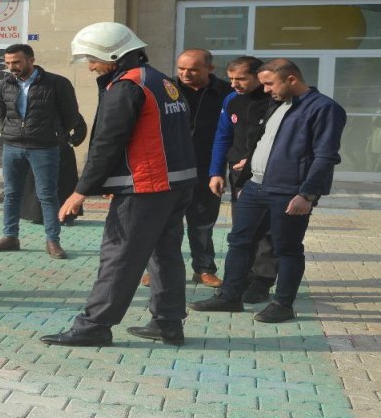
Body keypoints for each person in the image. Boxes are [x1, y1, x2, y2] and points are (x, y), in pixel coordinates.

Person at [40, 22, 196, 347]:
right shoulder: (160, 80)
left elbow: (107, 143)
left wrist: (80, 191)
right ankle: (168, 323)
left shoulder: (127, 86)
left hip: (146, 187)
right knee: (165, 255)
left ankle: (93, 326)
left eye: (93, 58)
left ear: (114, 55)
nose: (90, 65)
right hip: (177, 182)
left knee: (119, 256)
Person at [190, 58, 347, 323]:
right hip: (255, 185)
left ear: (291, 80)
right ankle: (230, 297)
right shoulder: (277, 104)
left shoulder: (324, 108)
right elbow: (263, 139)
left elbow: (325, 156)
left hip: (289, 191)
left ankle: (283, 304)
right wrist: (248, 165)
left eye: (269, 83)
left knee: (287, 248)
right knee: (239, 242)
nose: (265, 90)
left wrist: (307, 194)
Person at [141, 49, 234, 288]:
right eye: (181, 68)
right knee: (162, 223)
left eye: (193, 69)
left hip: (206, 168)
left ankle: (204, 269)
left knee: (202, 223)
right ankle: (157, 270)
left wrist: (222, 169)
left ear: (210, 69)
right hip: (168, 168)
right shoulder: (165, 89)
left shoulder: (226, 93)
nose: (185, 74)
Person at [0, 44, 83, 260]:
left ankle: (52, 241)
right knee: (11, 193)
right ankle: (10, 236)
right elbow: (1, 113)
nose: (12, 67)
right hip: (12, 146)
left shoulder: (57, 83)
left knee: (47, 195)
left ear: (31, 59)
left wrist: (55, 134)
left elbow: (71, 115)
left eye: (17, 62)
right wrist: (11, 132)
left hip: (44, 147)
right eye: (8, 63)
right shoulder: (4, 85)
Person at [208, 56, 278, 303]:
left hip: (269, 173)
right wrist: (216, 172)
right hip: (239, 174)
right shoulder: (231, 100)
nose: (234, 84)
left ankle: (262, 281)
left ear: (258, 76)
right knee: (243, 230)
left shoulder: (275, 100)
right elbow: (223, 136)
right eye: (231, 79)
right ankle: (240, 280)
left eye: (241, 79)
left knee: (268, 232)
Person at [19, 112, 88, 225]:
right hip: (39, 148)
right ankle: (38, 214)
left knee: (64, 184)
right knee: (38, 182)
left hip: (62, 151)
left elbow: (81, 128)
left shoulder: (67, 109)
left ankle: (66, 215)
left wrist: (71, 142)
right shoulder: (38, 108)